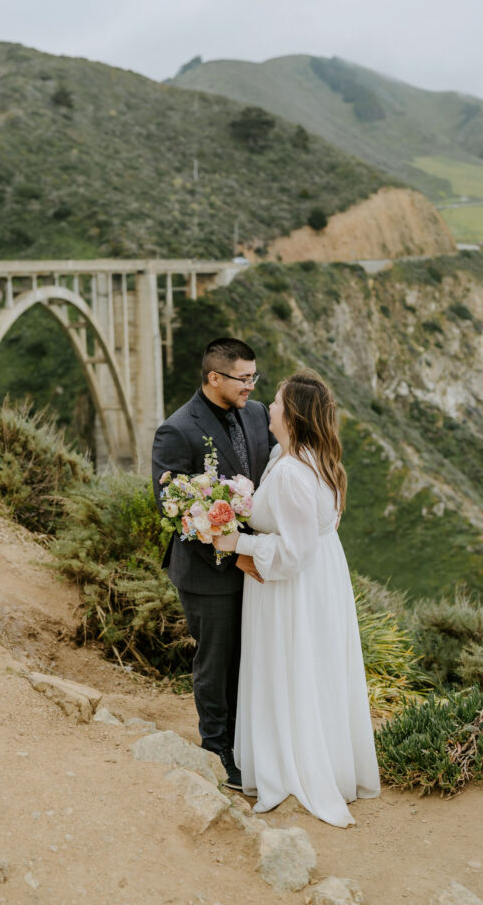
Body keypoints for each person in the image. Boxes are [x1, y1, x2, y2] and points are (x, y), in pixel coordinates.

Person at [213, 371, 381, 826]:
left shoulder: (290, 471)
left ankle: (288, 766)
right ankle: (320, 755)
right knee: (312, 668)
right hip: (319, 583)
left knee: (287, 666)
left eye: (276, 402)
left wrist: (236, 544)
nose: (267, 407)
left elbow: (293, 553)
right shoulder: (310, 459)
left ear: (292, 414)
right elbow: (322, 530)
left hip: (288, 589)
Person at [151, 337, 275, 789]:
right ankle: (218, 749)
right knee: (216, 662)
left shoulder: (259, 413)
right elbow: (175, 508)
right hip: (208, 572)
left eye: (254, 377)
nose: (251, 386)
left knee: (251, 659)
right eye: (244, 378)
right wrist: (232, 552)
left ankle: (249, 744)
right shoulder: (177, 430)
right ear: (214, 378)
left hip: (259, 563)